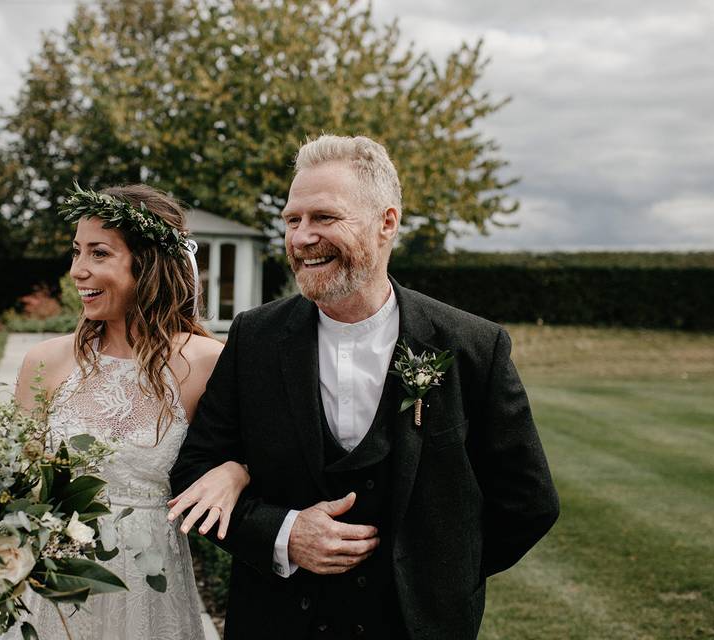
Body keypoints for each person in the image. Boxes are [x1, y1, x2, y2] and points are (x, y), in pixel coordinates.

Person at [168, 135, 560, 639]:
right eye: (292, 220)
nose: (301, 237)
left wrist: (438, 579)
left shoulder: (472, 346)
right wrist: (285, 535)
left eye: (324, 218)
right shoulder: (254, 338)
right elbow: (193, 473)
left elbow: (529, 502)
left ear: (386, 223)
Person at [2, 184, 250, 639]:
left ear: (148, 264)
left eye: (99, 253)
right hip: (58, 586)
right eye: (76, 252)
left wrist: (238, 470)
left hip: (150, 589)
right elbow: (14, 483)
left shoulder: (207, 362)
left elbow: (260, 454)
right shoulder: (45, 362)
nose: (78, 270)